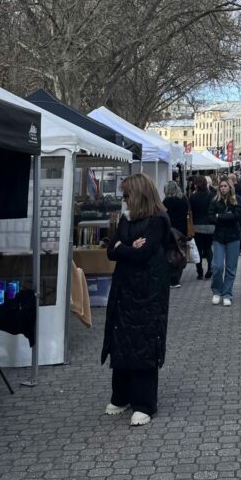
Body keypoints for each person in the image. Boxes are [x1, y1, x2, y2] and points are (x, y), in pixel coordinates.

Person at [101, 173, 171, 426]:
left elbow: (144, 254)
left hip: (149, 291)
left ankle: (144, 403)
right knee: (121, 339)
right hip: (124, 289)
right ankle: (121, 395)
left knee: (144, 342)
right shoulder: (126, 219)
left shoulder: (157, 220)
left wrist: (123, 249)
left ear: (138, 194)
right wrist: (127, 248)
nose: (124, 200)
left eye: (127, 195)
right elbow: (111, 250)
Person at [209, 176, 241, 306]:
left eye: (225, 186)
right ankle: (217, 291)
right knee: (217, 266)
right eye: (221, 186)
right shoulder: (214, 201)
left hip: (234, 237)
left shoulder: (237, 199)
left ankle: (227, 293)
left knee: (231, 268)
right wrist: (226, 216)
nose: (223, 188)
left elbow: (236, 216)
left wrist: (220, 216)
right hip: (219, 237)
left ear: (230, 187)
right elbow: (211, 217)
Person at [162, 180, 190, 288]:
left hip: (171, 231)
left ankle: (173, 278)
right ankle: (177, 277)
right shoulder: (183, 199)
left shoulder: (166, 202)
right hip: (182, 231)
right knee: (180, 252)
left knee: (171, 254)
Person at [189, 175, 214, 279]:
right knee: (208, 248)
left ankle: (199, 272)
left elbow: (191, 212)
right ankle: (210, 268)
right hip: (210, 225)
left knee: (198, 249)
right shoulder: (211, 195)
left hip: (197, 226)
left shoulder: (193, 196)